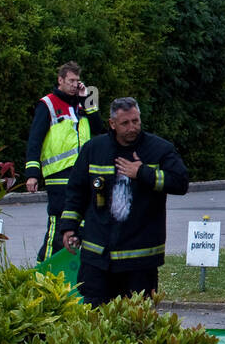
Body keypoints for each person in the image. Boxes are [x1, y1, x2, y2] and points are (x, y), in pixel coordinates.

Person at [60, 97, 189, 306]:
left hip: (139, 260)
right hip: (97, 258)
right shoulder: (94, 149)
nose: (132, 128)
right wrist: (69, 227)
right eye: (125, 123)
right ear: (112, 124)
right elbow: (76, 191)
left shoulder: (159, 149)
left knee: (136, 322)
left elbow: (181, 182)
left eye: (136, 121)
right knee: (93, 318)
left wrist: (143, 173)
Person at [24, 61, 104, 262]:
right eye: (71, 80)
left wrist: (87, 100)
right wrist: (32, 173)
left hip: (83, 173)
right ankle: (45, 267)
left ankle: (72, 269)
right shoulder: (48, 104)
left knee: (83, 223)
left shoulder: (83, 102)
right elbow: (35, 139)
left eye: (78, 80)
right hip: (58, 174)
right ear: (60, 80)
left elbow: (99, 129)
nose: (75, 84)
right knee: (60, 222)